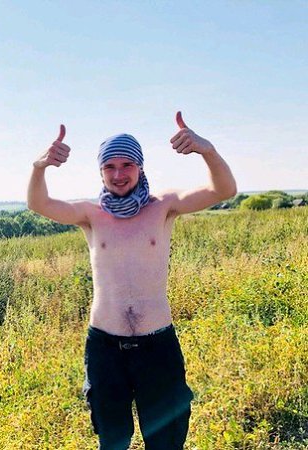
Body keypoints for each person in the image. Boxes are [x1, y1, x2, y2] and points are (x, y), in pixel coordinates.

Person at [26, 112, 236, 450]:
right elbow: (39, 203)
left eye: (127, 165)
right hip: (105, 348)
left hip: (157, 346)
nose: (118, 174)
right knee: (113, 439)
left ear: (140, 167)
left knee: (166, 440)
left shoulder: (163, 207)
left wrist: (206, 150)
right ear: (100, 172)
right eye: (109, 167)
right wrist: (40, 167)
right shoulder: (90, 215)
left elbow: (224, 189)